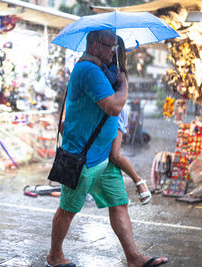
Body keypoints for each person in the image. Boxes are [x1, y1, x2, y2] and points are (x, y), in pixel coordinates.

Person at [46, 29, 168, 267]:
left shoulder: (102, 69)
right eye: (109, 46)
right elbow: (113, 106)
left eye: (116, 46)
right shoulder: (89, 70)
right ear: (93, 45)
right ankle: (54, 256)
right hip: (84, 158)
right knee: (68, 209)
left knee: (119, 203)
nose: (114, 51)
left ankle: (133, 257)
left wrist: (120, 73)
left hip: (104, 158)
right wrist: (124, 85)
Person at [77, 36, 151, 205]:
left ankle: (139, 182)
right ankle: (91, 186)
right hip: (108, 114)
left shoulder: (115, 71)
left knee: (115, 155)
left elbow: (107, 88)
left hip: (115, 115)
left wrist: (92, 61)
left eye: (112, 47)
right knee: (106, 154)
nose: (109, 51)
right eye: (108, 46)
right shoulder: (110, 68)